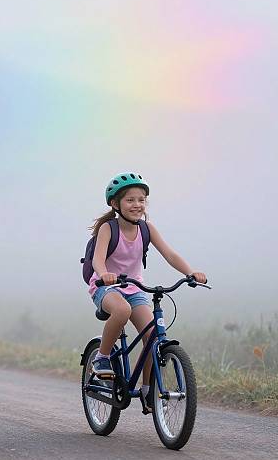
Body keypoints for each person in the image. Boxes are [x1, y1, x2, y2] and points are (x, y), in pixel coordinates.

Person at [88, 172, 206, 407]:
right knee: (121, 311)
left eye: (141, 200)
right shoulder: (108, 229)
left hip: (135, 288)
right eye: (130, 200)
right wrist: (104, 275)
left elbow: (170, 254)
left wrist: (190, 273)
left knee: (153, 336)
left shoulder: (147, 229)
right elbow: (97, 260)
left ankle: (147, 388)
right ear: (115, 204)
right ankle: (102, 358)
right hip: (105, 287)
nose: (137, 205)